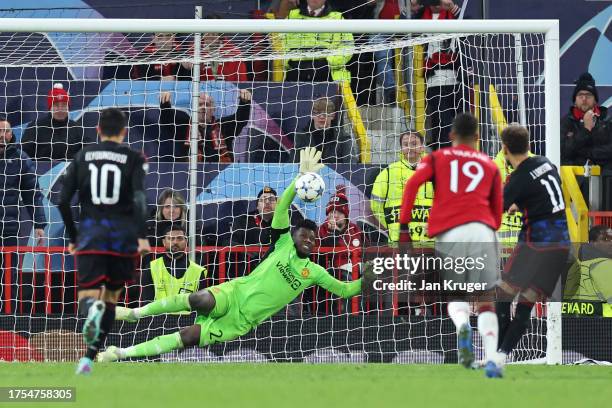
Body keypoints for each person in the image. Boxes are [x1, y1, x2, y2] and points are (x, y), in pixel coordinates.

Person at [99, 148, 369, 362]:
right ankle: (134, 314)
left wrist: (369, 277)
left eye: (313, 238)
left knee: (188, 335)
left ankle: (120, 354)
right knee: (199, 298)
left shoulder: (315, 271)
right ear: (294, 234)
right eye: (304, 235)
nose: (309, 240)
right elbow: (283, 207)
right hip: (234, 292)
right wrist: (300, 178)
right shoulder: (283, 242)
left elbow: (345, 290)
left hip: (241, 320)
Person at [399, 113, 503, 377]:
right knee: (486, 298)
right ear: (477, 138)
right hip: (482, 229)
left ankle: (463, 329)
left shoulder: (437, 158)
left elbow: (412, 185)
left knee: (457, 294)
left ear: (451, 136)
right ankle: (491, 357)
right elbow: (498, 211)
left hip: (450, 231)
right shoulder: (489, 165)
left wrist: (403, 226)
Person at [58, 108, 151, 375]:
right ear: (123, 132)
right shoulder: (133, 158)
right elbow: (140, 201)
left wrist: (74, 237)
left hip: (92, 237)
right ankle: (88, 358)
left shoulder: (83, 156)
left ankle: (92, 311)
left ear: (98, 130)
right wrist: (142, 237)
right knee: (111, 298)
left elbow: (63, 200)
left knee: (89, 296)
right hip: (123, 241)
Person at [495, 124, 571, 363]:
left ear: (504, 148)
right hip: (561, 246)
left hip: (535, 245)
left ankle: (496, 353)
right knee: (526, 302)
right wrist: (521, 203)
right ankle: (502, 355)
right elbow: (544, 195)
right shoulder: (546, 163)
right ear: (528, 144)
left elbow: (496, 211)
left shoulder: (518, 179)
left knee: (503, 296)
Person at [0, 116, 46, 290]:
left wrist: (39, 224)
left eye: (7, 131)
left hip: (9, 227)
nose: (3, 135)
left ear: (12, 134)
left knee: (8, 275)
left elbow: (32, 194)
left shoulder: (20, 158)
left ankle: (7, 315)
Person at [371, 131, 433, 243]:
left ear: (422, 147)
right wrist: (392, 226)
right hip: (399, 241)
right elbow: (375, 205)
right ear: (401, 148)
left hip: (430, 240)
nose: (410, 147)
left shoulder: (435, 171)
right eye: (405, 144)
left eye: (414, 144)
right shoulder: (389, 172)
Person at [415, 0, 461, 149]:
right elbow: (403, 29)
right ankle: (442, 152)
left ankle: (453, 151)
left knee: (455, 121)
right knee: (440, 120)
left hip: (455, 78)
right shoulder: (421, 15)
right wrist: (412, 7)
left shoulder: (454, 16)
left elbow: (471, 26)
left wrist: (452, 7)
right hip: (434, 79)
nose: (436, 3)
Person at [159, 89, 251, 162]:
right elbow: (167, 122)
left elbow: (240, 119)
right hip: (189, 175)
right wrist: (165, 103)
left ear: (213, 109)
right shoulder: (184, 126)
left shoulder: (224, 125)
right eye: (200, 104)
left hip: (221, 177)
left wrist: (245, 102)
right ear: (194, 108)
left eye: (207, 104)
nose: (203, 107)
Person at [283, 0, 354, 82]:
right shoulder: (291, 16)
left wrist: (328, 62)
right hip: (295, 71)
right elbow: (280, 44)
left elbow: (348, 47)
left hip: (329, 73)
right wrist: (289, 61)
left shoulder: (338, 18)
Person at [21, 83, 91, 161]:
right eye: (56, 105)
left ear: (68, 107)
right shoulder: (35, 127)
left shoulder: (76, 128)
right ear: (50, 107)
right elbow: (23, 155)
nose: (60, 109)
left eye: (64, 105)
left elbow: (88, 152)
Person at [141, 224, 207, 304]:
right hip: (158, 316)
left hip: (189, 316)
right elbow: (147, 303)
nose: (175, 242)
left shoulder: (198, 271)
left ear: (186, 241)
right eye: (171, 238)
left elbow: (201, 305)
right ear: (164, 242)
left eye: (179, 238)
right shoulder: (151, 268)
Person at [561, 72, 612, 169]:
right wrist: (586, 129)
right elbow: (564, 152)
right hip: (576, 180)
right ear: (575, 100)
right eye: (580, 95)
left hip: (605, 178)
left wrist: (587, 153)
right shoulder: (566, 122)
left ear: (595, 100)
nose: (584, 99)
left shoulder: (606, 120)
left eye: (588, 95)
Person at [292, 98, 356, 163]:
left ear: (333, 115)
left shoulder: (343, 137)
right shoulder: (301, 136)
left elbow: (351, 165)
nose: (322, 116)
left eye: (326, 113)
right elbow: (292, 164)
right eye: (317, 113)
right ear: (312, 115)